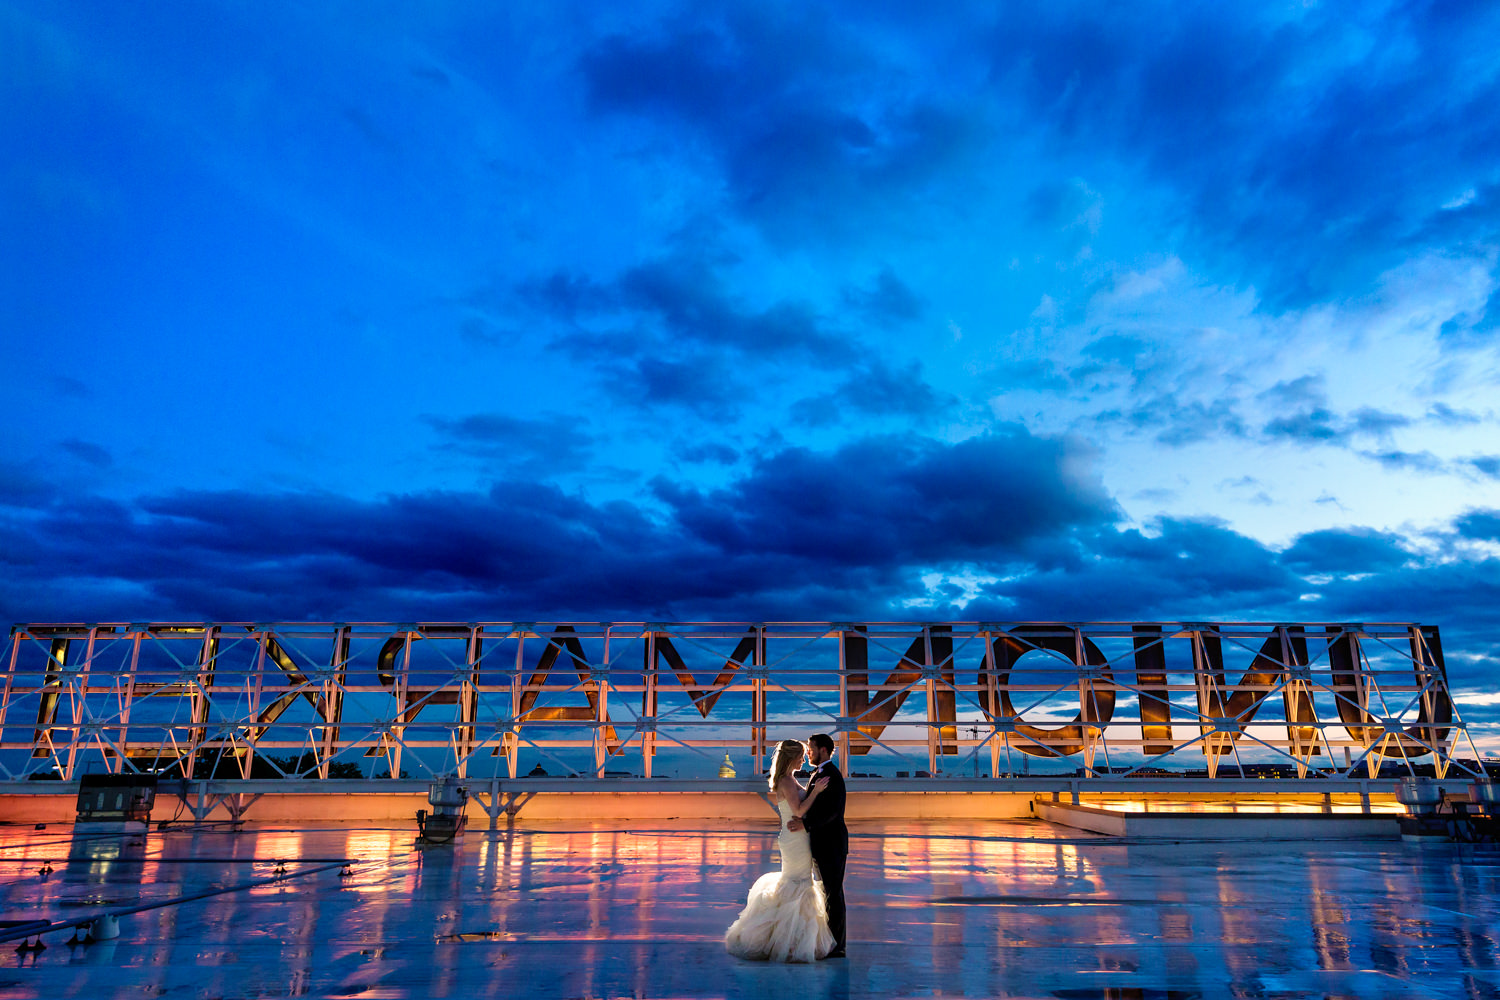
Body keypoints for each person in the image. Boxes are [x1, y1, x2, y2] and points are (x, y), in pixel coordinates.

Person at [724, 739, 836, 963]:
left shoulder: (788, 779)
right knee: (798, 882)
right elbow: (799, 809)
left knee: (799, 881)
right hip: (795, 839)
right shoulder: (785, 781)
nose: (803, 760)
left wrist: (817, 790)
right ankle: (790, 943)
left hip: (795, 837)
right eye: (800, 756)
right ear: (791, 758)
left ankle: (792, 940)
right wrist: (816, 792)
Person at [787, 732, 847, 958]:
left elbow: (832, 812)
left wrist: (806, 825)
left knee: (833, 894)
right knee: (827, 893)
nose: (808, 752)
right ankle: (830, 941)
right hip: (822, 844)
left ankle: (837, 945)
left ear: (823, 749)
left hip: (832, 845)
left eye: (811, 748)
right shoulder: (820, 774)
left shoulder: (832, 775)